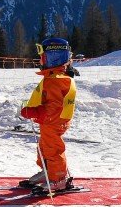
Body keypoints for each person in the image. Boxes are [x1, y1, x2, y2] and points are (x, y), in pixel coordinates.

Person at [19, 37, 78, 194]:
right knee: (44, 146)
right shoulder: (54, 77)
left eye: (42, 56)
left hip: (53, 120)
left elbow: (53, 108)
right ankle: (48, 171)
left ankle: (58, 179)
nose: (41, 60)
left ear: (53, 57)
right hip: (51, 121)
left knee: (53, 149)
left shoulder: (56, 81)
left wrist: (34, 112)